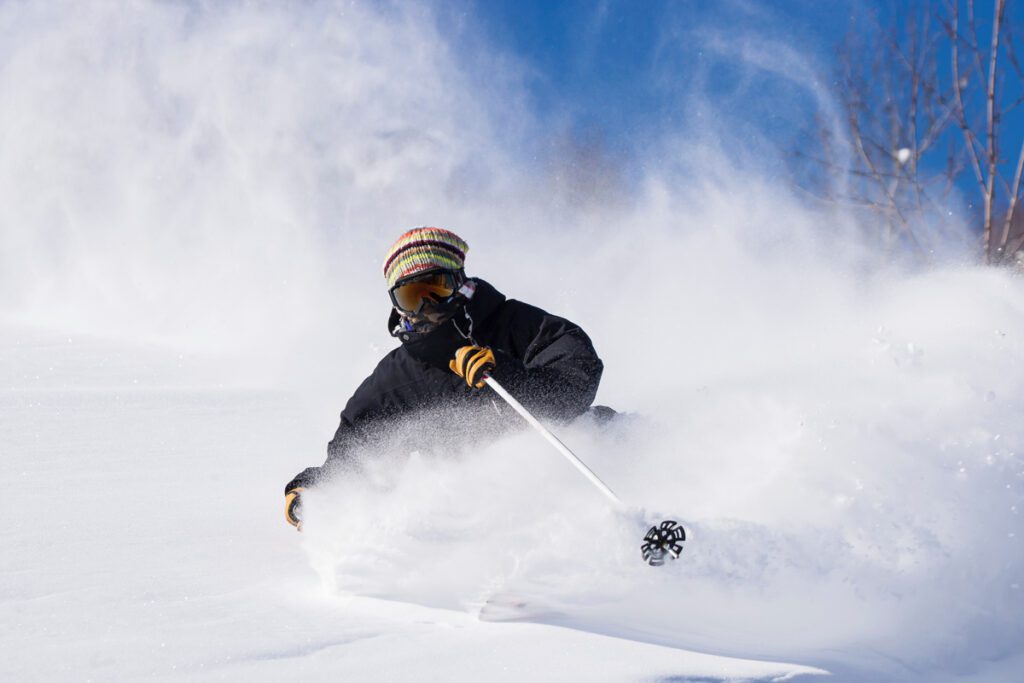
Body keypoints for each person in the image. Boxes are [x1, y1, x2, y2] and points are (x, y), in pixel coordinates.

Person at [284, 227, 606, 529]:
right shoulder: (399, 376)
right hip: (484, 511)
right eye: (412, 297)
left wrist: (508, 374)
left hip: (574, 464)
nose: (426, 306)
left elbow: (577, 379)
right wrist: (318, 490)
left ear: (460, 283)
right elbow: (358, 450)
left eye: (437, 289)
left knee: (616, 434)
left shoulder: (517, 325)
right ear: (398, 307)